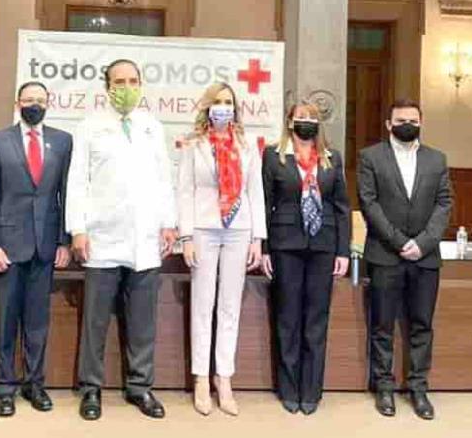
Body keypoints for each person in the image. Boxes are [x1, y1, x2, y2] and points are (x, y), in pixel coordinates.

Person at [67, 58, 176, 421]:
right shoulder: (89, 126)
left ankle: (140, 387)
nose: (127, 87)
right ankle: (91, 388)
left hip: (145, 238)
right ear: (107, 87)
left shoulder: (152, 127)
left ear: (141, 84)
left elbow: (164, 179)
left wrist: (168, 222)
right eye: (119, 82)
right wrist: (78, 228)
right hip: (102, 238)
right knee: (95, 321)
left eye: (133, 81)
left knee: (143, 322)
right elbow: (77, 181)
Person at [0, 81, 73, 417]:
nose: (35, 104)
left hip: (45, 246)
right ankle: (5, 387)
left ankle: (35, 385)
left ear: (49, 103)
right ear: (18, 103)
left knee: (37, 323)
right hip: (7, 246)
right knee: (6, 322)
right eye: (29, 99)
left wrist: (64, 241)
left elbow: (67, 194)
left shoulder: (62, 141)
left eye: (40, 100)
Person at [357, 99, 452, 420]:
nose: (407, 125)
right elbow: (369, 203)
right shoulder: (371, 157)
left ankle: (418, 388)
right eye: (400, 120)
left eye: (412, 120)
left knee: (422, 325)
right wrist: (399, 242)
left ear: (421, 122)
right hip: (385, 254)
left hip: (425, 257)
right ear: (388, 124)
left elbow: (444, 204)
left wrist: (422, 243)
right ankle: (383, 387)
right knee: (382, 325)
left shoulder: (437, 159)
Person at [176, 82, 265, 416]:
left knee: (230, 306)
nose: (224, 107)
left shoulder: (247, 144)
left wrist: (257, 238)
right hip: (203, 228)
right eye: (218, 102)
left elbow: (255, 192)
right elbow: (184, 190)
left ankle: (223, 377)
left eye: (229, 102)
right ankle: (201, 377)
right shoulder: (194, 143)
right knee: (202, 304)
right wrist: (186, 236)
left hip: (239, 228)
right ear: (207, 107)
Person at [261, 101, 350, 416]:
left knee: (316, 320)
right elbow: (265, 203)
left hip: (323, 246)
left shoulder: (331, 157)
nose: (307, 122)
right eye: (301, 117)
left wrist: (343, 250)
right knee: (288, 319)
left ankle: (311, 391)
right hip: (285, 244)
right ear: (289, 122)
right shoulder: (273, 156)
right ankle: (288, 389)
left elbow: (341, 206)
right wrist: (265, 248)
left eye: (312, 118)